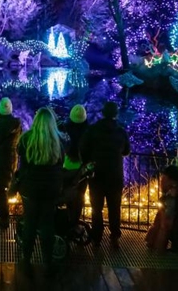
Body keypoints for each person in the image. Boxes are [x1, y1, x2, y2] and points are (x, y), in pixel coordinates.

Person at [16, 108, 66, 276]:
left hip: (30, 188)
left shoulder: (26, 139)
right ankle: (47, 261)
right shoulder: (59, 140)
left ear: (36, 120)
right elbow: (61, 163)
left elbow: (21, 160)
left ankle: (26, 260)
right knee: (47, 224)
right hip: (51, 189)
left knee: (29, 223)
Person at [79, 101, 130, 248]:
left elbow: (83, 148)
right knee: (114, 206)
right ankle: (114, 235)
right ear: (116, 114)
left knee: (96, 207)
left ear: (102, 112)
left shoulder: (93, 130)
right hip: (115, 174)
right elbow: (126, 150)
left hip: (97, 174)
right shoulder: (121, 131)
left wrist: (88, 161)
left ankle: (97, 237)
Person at [0, 97, 22, 229]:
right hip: (12, 159)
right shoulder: (17, 126)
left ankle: (4, 219)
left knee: (0, 190)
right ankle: (8, 216)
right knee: (7, 186)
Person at [60, 104, 90, 228]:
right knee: (80, 195)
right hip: (82, 169)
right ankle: (74, 221)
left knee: (66, 193)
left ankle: (66, 219)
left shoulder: (64, 129)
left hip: (66, 167)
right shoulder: (89, 131)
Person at [145, 165, 178, 251]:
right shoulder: (174, 188)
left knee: (163, 224)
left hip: (169, 211)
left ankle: (157, 244)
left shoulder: (173, 190)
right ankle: (155, 243)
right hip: (169, 208)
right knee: (161, 219)